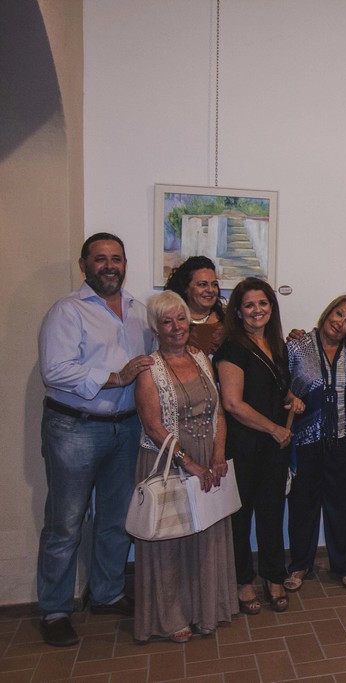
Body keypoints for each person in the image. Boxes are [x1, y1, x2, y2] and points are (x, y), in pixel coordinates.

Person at [36, 232, 154, 647]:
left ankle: (106, 594)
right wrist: (114, 377)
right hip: (75, 427)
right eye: (100, 258)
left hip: (127, 428)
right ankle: (54, 609)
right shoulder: (67, 312)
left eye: (117, 259)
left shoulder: (140, 312)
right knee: (65, 525)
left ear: (125, 264)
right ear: (83, 264)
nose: (110, 266)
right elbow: (55, 371)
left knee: (116, 519)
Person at [132, 291, 236, 643]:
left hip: (208, 459)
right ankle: (170, 616)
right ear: (156, 328)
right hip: (166, 459)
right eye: (167, 321)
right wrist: (188, 462)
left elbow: (219, 411)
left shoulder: (202, 357)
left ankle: (205, 610)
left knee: (205, 536)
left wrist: (218, 455)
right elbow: (152, 425)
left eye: (181, 318)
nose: (176, 327)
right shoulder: (149, 367)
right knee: (170, 541)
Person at [214, 278, 304, 615]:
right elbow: (233, 404)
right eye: (249, 305)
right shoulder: (231, 349)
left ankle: (273, 576)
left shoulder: (275, 344)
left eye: (263, 304)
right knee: (240, 516)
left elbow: (275, 390)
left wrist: (291, 398)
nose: (257, 310)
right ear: (238, 311)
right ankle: (243, 581)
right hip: (244, 443)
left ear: (271, 307)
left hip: (272, 446)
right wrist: (274, 429)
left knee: (271, 512)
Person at [285, 295, 346, 591]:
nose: (340, 323)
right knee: (303, 507)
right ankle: (300, 565)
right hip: (304, 440)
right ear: (328, 312)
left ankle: (344, 565)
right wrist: (289, 398)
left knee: (342, 507)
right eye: (338, 314)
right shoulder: (297, 347)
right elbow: (279, 386)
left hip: (344, 440)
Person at [164, 255, 225, 356]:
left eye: (214, 284)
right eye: (202, 284)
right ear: (185, 287)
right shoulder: (171, 324)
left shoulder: (228, 322)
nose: (210, 290)